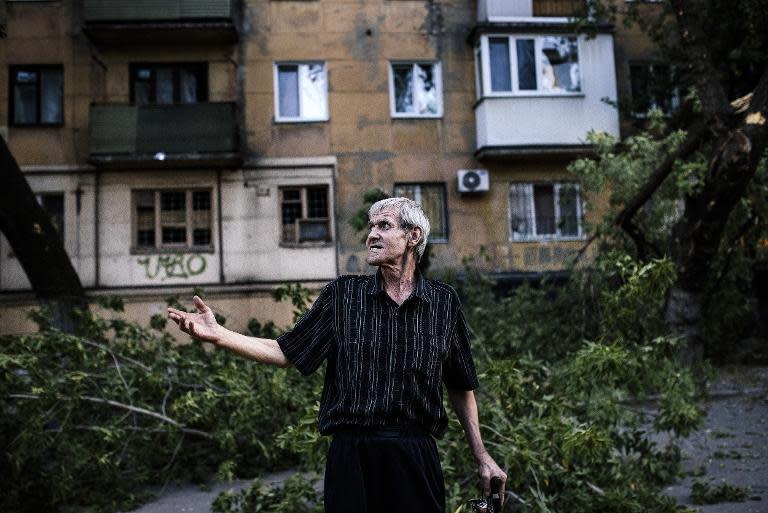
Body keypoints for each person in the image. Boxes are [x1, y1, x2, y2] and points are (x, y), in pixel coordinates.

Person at [167, 197, 506, 513]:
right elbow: (287, 351)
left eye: (384, 226)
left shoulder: (443, 303)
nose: (371, 234)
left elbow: (461, 384)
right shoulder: (343, 296)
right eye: (370, 227)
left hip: (414, 454)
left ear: (413, 236)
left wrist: (482, 455)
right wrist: (219, 335)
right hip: (351, 456)